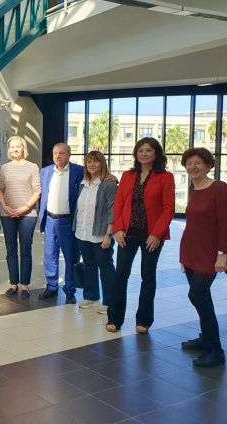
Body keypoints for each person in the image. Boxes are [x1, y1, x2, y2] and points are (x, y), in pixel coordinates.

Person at [106, 137, 174, 334]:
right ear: (136, 154)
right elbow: (118, 203)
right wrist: (118, 229)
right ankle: (115, 319)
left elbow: (168, 208)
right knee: (120, 275)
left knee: (148, 275)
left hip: (151, 234)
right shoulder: (128, 176)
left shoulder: (165, 177)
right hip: (127, 232)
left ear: (156, 154)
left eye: (149, 150)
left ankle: (143, 320)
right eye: (141, 150)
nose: (144, 154)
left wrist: (157, 234)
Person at [178, 148, 226, 367]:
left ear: (208, 166)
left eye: (198, 163)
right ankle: (205, 337)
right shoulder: (192, 187)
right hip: (191, 251)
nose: (193, 167)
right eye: (189, 163)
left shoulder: (219, 188)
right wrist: (184, 255)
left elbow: (226, 224)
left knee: (197, 295)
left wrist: (223, 254)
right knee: (203, 298)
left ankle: (215, 351)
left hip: (210, 254)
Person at [37, 143, 84, 304]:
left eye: (62, 153)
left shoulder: (79, 171)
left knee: (71, 256)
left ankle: (70, 290)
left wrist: (112, 178)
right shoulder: (45, 171)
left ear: (69, 155)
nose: (58, 156)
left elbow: (98, 177)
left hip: (68, 221)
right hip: (50, 219)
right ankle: (51, 287)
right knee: (49, 255)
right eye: (55, 153)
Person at [73, 151, 117, 315]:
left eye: (95, 162)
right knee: (89, 265)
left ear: (102, 164)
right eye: (89, 162)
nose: (91, 165)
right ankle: (91, 297)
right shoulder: (83, 184)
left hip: (101, 234)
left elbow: (112, 211)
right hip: (83, 232)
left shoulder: (108, 185)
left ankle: (109, 301)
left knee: (105, 267)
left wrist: (108, 235)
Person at [0, 136, 40, 299]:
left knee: (26, 250)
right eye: (12, 147)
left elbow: (37, 190)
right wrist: (5, 207)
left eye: (18, 146)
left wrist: (25, 208)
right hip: (7, 214)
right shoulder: (5, 168)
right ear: (9, 149)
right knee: (11, 250)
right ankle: (13, 284)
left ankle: (25, 286)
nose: (15, 149)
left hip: (27, 214)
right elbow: (0, 190)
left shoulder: (32, 167)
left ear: (23, 148)